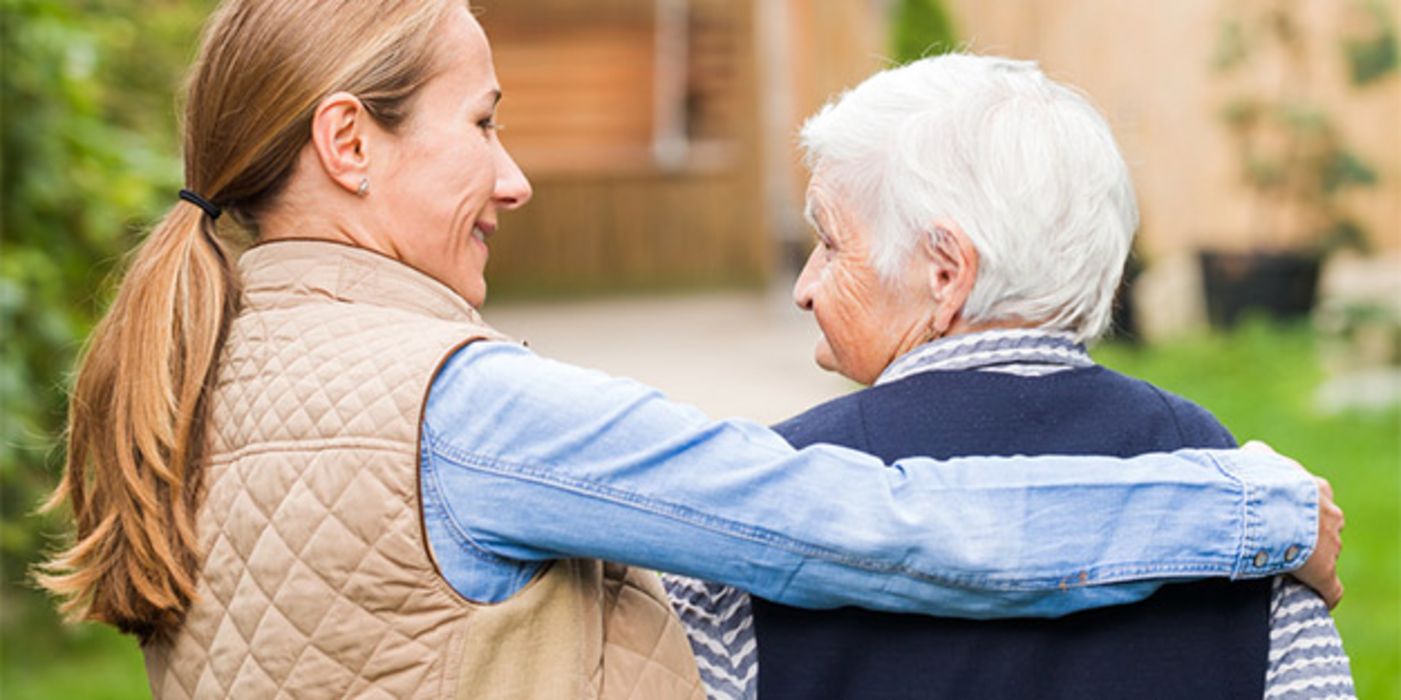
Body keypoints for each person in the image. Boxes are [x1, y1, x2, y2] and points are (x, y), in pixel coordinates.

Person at [36, 3, 1342, 698]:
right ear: (348, 143)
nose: (514, 177)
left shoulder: (204, 375)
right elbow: (871, 527)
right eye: (483, 123)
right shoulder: (459, 411)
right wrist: (1255, 506)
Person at [664, 55, 1354, 699]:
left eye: (830, 242)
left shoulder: (759, 502)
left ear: (944, 271)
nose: (804, 288)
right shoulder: (1237, 493)